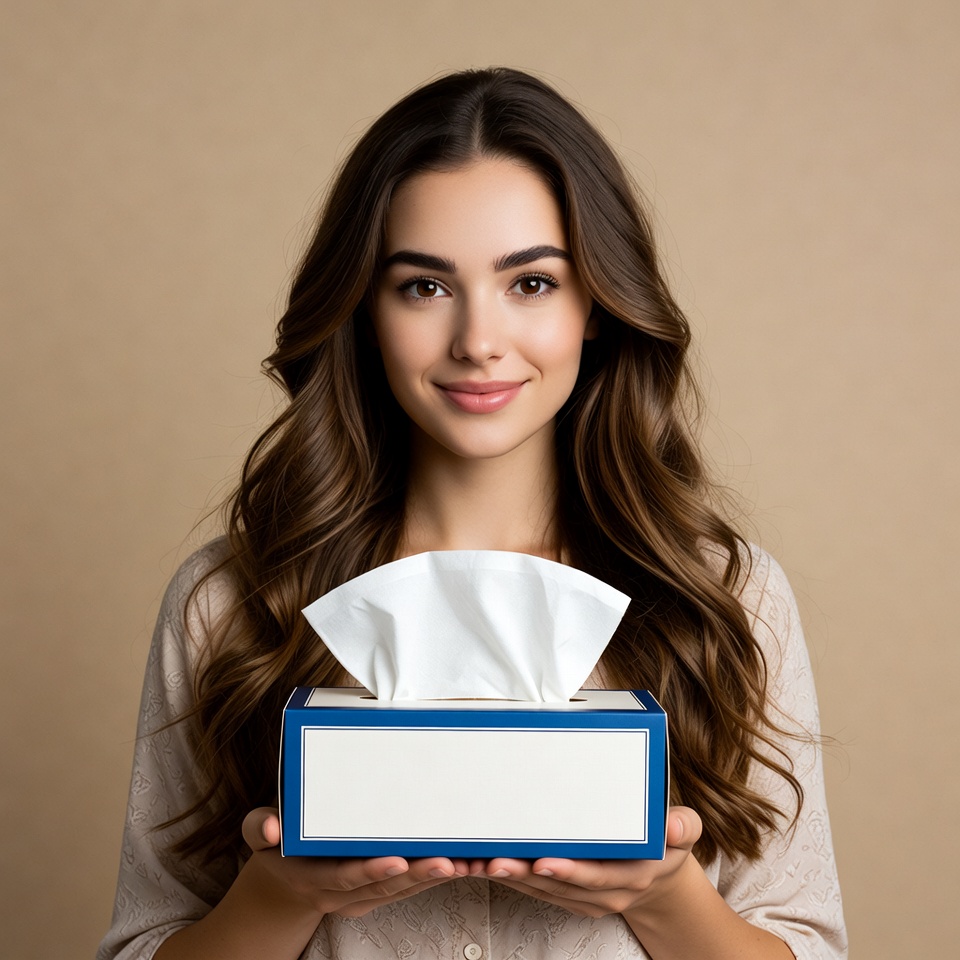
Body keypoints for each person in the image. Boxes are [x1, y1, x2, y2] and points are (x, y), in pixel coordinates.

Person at [98, 67, 846, 960]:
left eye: (530, 284)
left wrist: (665, 895)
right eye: (425, 286)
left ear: (596, 305)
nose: (478, 341)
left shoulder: (726, 596)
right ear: (365, 311)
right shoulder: (230, 602)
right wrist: (278, 894)